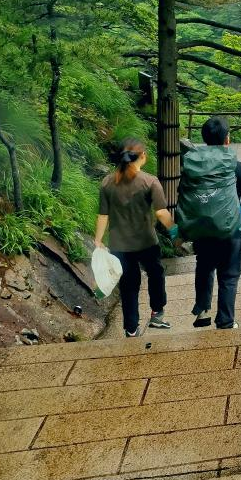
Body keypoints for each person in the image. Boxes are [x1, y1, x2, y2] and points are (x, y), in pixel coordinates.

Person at [179, 116, 241, 330]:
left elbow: (183, 194)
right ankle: (225, 320)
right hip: (229, 230)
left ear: (204, 139)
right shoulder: (236, 164)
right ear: (227, 139)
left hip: (201, 228)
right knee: (229, 274)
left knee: (204, 267)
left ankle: (203, 311)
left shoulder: (193, 165)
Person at [94, 139, 175, 337]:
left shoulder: (107, 182)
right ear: (142, 157)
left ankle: (131, 328)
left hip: (119, 245)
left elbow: (103, 215)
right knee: (156, 274)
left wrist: (98, 240)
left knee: (129, 285)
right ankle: (157, 313)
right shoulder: (149, 181)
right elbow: (161, 213)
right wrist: (175, 230)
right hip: (146, 241)